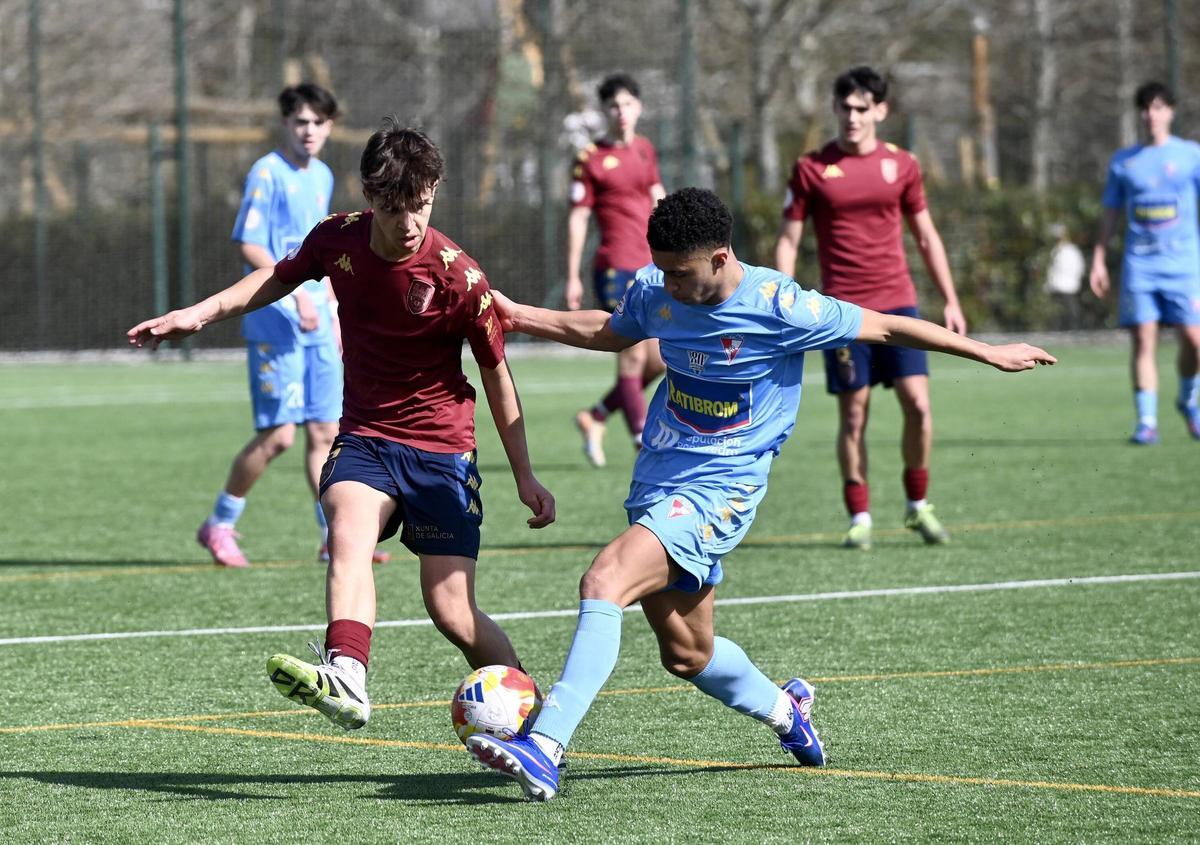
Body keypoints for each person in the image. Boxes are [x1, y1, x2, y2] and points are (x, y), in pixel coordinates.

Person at [464, 188, 1054, 801]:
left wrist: (988, 351)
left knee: (604, 578)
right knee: (688, 655)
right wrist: (519, 314)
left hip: (722, 490)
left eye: (679, 272)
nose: (666, 283)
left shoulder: (781, 306)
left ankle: (546, 746)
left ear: (720, 258)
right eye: (661, 268)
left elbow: (884, 326)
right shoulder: (658, 288)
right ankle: (786, 711)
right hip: (658, 481)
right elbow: (613, 330)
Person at [128, 121, 556, 731]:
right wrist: (197, 314)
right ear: (368, 195)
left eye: (421, 205)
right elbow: (271, 280)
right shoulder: (337, 241)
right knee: (348, 530)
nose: (408, 221)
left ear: (434, 193)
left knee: (452, 611)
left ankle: (538, 726)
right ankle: (347, 676)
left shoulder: (460, 278)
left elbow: (497, 377)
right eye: (393, 206)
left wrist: (525, 475)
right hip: (366, 439)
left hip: (441, 450)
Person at [773, 66, 967, 551]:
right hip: (841, 312)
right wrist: (781, 297)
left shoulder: (903, 165)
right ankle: (859, 514)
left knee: (919, 407)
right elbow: (788, 239)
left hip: (899, 302)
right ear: (835, 109)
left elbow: (926, 235)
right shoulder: (811, 168)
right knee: (854, 416)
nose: (852, 116)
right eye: (845, 107)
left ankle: (917, 505)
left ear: (880, 110)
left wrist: (951, 298)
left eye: (862, 108)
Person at [196, 83, 389, 568]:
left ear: (329, 127)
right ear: (285, 123)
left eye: (319, 123)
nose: (310, 131)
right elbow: (251, 244)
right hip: (276, 323)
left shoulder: (321, 175)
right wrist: (300, 293)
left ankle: (333, 537)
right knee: (280, 435)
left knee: (326, 432)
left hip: (318, 321)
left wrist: (330, 307)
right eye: (301, 121)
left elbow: (320, 252)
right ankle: (219, 523)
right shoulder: (267, 173)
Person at [1089, 81, 1200, 444]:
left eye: (1156, 107)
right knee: (1143, 339)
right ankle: (1147, 421)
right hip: (1141, 265)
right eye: (1144, 108)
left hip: (1184, 265)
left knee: (1195, 341)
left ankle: (1188, 399)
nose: (1149, 115)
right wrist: (1099, 258)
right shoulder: (1124, 161)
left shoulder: (1190, 155)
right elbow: (1110, 213)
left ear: (1170, 111)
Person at [565, 73, 667, 467]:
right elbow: (577, 218)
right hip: (615, 268)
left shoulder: (645, 150)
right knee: (632, 355)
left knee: (660, 360)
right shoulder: (590, 158)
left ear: (638, 107)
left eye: (627, 104)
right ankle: (644, 443)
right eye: (613, 106)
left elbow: (659, 199)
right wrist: (572, 274)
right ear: (603, 111)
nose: (621, 112)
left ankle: (596, 416)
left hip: (652, 268)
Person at [1045, 223, 1084, 331]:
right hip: (1055, 289)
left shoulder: (1071, 251)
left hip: (1069, 288)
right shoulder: (1052, 251)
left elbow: (1078, 268)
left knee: (1071, 315)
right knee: (1056, 318)